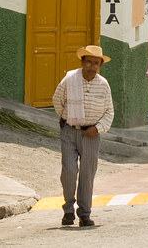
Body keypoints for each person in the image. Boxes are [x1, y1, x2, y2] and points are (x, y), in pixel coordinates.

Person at [52, 45, 114, 228]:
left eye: (96, 63)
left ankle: (85, 214)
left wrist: (97, 128)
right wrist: (68, 118)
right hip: (70, 132)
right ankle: (68, 209)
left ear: (100, 66)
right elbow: (57, 101)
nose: (91, 67)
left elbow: (109, 112)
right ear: (82, 63)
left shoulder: (103, 85)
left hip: (92, 135)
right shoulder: (70, 79)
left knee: (87, 175)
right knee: (69, 171)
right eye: (89, 62)